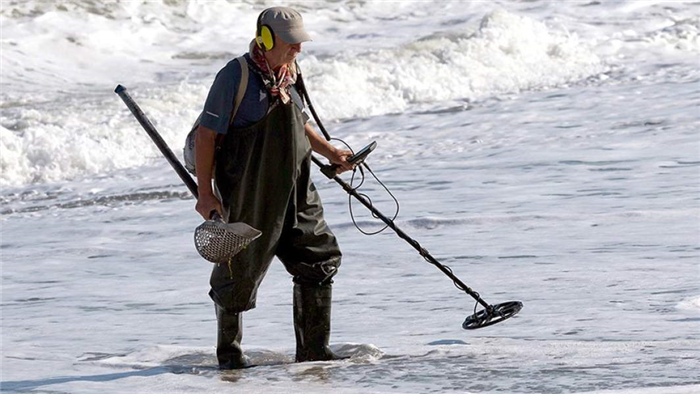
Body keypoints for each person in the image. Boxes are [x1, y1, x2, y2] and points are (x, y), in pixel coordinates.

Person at [194, 7, 353, 369]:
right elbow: (207, 135)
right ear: (265, 39)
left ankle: (314, 352)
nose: (298, 49)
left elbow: (300, 122)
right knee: (238, 272)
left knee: (319, 258)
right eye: (291, 43)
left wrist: (332, 153)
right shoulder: (235, 76)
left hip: (298, 188)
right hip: (251, 190)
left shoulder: (290, 73)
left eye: (300, 43)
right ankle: (230, 357)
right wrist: (206, 193)